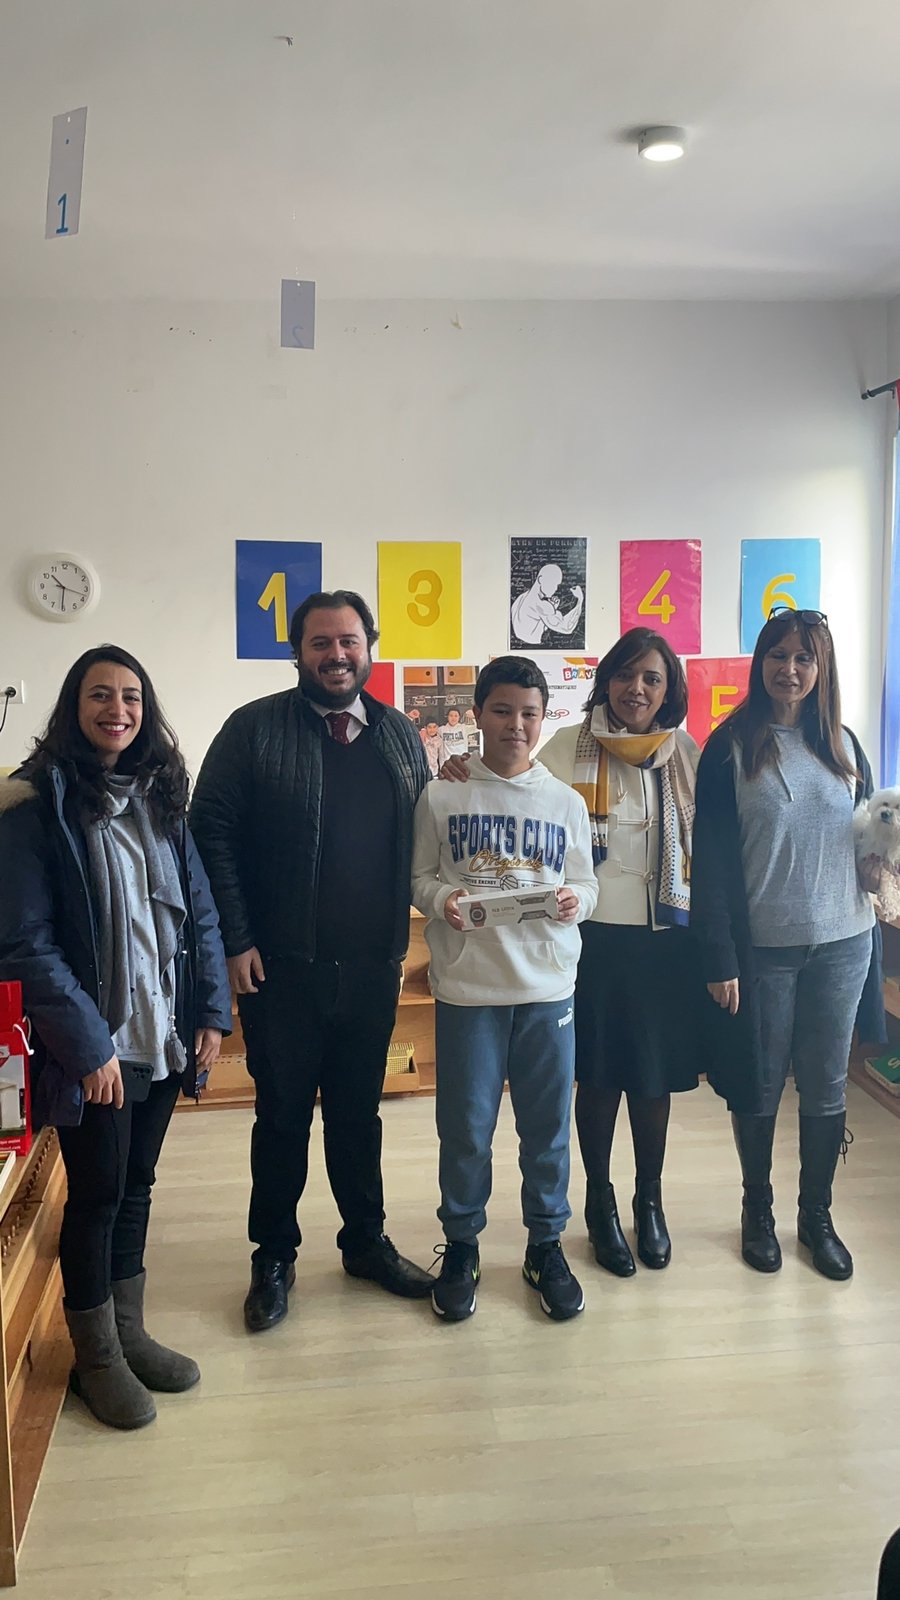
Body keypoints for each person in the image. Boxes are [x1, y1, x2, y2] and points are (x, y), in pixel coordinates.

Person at [0, 646, 231, 1431]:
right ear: (74, 706)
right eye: (101, 695)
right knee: (97, 1197)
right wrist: (89, 1045)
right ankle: (94, 1358)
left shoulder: (162, 797)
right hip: (99, 1046)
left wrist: (210, 1011)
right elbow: (25, 945)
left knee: (137, 1185)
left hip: (163, 1031)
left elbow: (200, 912)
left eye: (131, 696)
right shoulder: (36, 805)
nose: (118, 710)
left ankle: (129, 1333)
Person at [191, 590, 433, 1333]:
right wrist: (235, 939)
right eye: (321, 642)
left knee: (359, 1116)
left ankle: (364, 1243)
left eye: (349, 641)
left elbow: (425, 828)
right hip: (280, 969)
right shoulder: (253, 729)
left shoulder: (399, 734)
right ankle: (273, 1256)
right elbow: (210, 834)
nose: (336, 655)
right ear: (297, 652)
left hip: (373, 966)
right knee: (282, 1117)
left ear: (370, 647)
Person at [438, 627, 714, 1277]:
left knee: (652, 1078)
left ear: (669, 688)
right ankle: (599, 1202)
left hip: (665, 939)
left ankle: (649, 1200)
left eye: (651, 678)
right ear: (607, 680)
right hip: (591, 942)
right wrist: (458, 767)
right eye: (625, 675)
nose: (637, 688)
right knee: (598, 1077)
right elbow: (509, 787)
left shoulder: (684, 752)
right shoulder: (567, 745)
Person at [692, 608, 882, 1281]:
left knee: (827, 1086)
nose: (790, 670)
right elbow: (711, 862)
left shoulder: (845, 745)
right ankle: (758, 1210)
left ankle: (816, 1217)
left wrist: (877, 864)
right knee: (761, 1085)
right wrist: (718, 955)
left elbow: (866, 834)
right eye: (778, 655)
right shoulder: (730, 746)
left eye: (804, 658)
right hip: (763, 951)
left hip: (843, 944)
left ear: (821, 667)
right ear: (761, 662)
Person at [412, 656, 598, 1323]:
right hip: (469, 991)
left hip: (548, 990)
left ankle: (544, 1245)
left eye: (529, 713)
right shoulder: (443, 795)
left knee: (546, 1129)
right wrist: (444, 900)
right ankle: (462, 1244)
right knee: (465, 1129)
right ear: (478, 714)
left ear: (543, 718)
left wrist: (578, 900)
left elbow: (588, 883)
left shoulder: (565, 802)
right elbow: (419, 879)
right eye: (502, 710)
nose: (516, 725)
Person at [511, 563, 584, 647]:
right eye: (553, 583)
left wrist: (552, 609)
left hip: (520, 643)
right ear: (540, 579)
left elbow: (533, 624)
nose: (556, 588)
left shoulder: (522, 597)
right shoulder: (541, 605)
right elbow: (566, 627)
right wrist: (580, 600)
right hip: (534, 647)